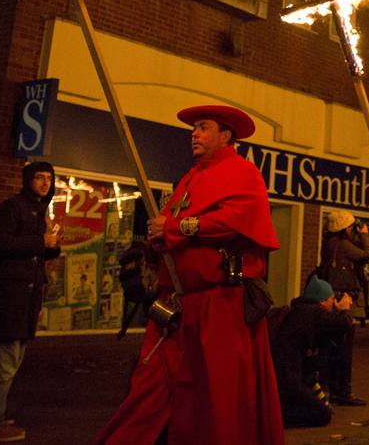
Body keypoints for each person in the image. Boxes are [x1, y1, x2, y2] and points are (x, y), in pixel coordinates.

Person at [96, 105, 284, 444]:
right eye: (193, 128)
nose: (194, 134)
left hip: (219, 305)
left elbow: (232, 222)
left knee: (217, 397)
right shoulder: (190, 177)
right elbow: (169, 229)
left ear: (225, 134)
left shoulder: (243, 173)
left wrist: (174, 228)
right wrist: (155, 241)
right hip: (179, 306)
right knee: (152, 387)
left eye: (203, 127)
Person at [0, 162, 60, 441]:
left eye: (49, 178)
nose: (45, 183)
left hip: (24, 299)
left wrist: (51, 246)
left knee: (6, 360)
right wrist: (40, 241)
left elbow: (31, 253)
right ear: (27, 180)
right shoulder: (12, 207)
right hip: (8, 298)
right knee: (4, 361)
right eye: (39, 177)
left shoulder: (39, 210)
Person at [270, 276, 355, 428]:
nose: (333, 303)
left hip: (286, 376)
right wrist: (343, 310)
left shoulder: (301, 312)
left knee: (319, 408)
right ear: (321, 301)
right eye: (331, 299)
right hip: (287, 379)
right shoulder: (312, 313)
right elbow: (344, 324)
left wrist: (322, 400)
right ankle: (279, 417)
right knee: (321, 415)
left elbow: (309, 373)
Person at [318, 209, 369, 406]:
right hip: (344, 300)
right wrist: (365, 235)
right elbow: (367, 255)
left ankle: (332, 389)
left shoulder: (329, 244)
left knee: (333, 347)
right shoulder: (343, 245)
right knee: (344, 348)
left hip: (333, 299)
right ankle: (343, 392)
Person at [116, 239, 153, 340]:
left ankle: (123, 330)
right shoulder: (140, 256)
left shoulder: (127, 260)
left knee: (130, 309)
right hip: (139, 288)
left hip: (129, 289)